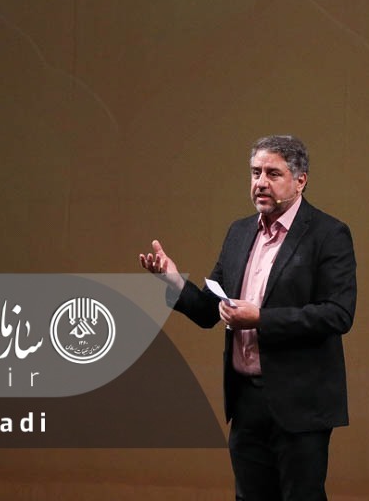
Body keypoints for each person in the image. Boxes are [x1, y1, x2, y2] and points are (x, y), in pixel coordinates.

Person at [140, 134, 357, 501]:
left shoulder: (328, 234)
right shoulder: (240, 232)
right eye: (256, 173)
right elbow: (210, 310)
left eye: (273, 173)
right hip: (246, 403)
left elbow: (338, 314)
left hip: (300, 404)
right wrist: (174, 282)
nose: (261, 183)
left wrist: (261, 319)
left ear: (300, 180)